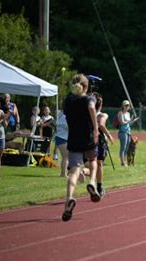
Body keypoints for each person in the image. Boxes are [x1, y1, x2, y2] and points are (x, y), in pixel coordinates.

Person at [61, 73, 100, 222]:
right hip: (88, 137)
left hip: (74, 138)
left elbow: (66, 114)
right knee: (93, 161)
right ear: (85, 86)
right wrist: (95, 128)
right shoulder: (89, 98)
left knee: (74, 172)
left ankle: (69, 199)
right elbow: (91, 108)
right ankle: (91, 183)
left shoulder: (69, 100)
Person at [93, 92, 114, 197]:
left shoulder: (87, 113)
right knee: (99, 163)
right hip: (98, 139)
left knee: (90, 163)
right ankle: (99, 187)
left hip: (86, 139)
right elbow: (101, 124)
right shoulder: (103, 115)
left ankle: (81, 173)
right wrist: (109, 135)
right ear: (101, 105)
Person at [117, 100, 139, 167]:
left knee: (127, 148)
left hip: (128, 132)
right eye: (126, 105)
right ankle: (122, 162)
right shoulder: (120, 113)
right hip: (122, 132)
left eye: (128, 105)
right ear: (123, 106)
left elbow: (129, 124)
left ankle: (125, 161)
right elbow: (122, 122)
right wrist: (129, 120)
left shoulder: (128, 114)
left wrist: (133, 121)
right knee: (123, 148)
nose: (127, 106)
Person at [53, 110, 69, 177]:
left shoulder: (61, 116)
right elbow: (68, 127)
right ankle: (63, 174)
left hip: (60, 137)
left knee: (65, 157)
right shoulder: (66, 117)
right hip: (62, 138)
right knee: (65, 157)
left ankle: (65, 173)